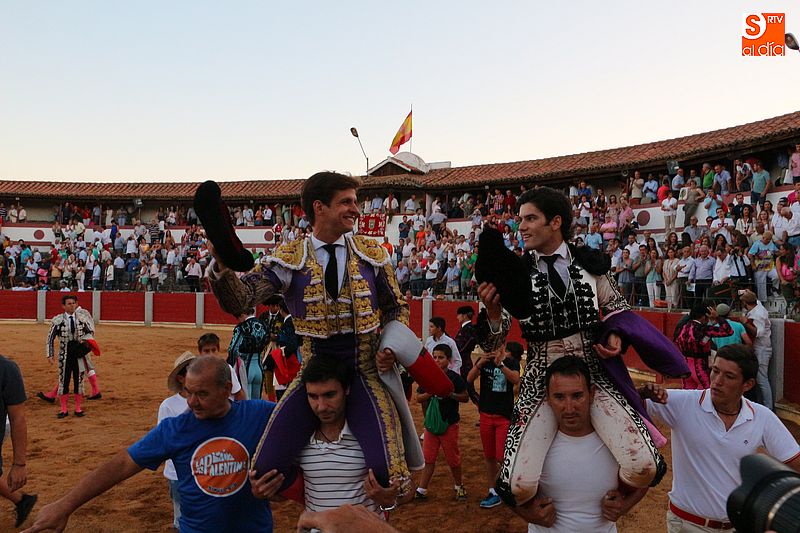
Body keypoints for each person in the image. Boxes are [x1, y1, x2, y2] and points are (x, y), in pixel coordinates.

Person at [201, 172, 451, 496]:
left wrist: (389, 346)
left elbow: (395, 308)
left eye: (355, 201)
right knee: (264, 471)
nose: (356, 210)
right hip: (314, 371)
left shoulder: (371, 254)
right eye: (346, 202)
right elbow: (241, 299)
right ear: (319, 207)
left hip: (365, 369)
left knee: (390, 475)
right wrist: (220, 268)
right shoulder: (290, 258)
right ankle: (322, 499)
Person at [474, 186, 687, 506]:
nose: (522, 227)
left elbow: (617, 309)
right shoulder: (514, 273)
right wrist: (492, 313)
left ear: (555, 222)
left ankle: (601, 498)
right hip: (539, 378)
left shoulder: (590, 264)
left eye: (530, 218)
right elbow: (493, 341)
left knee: (643, 466)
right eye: (520, 219)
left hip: (593, 373)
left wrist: (615, 337)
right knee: (518, 486)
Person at [23, 356, 280, 533]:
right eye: (188, 392)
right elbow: (122, 464)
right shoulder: (174, 429)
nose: (191, 402)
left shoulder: (260, 414)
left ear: (226, 389)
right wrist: (65, 505)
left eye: (202, 394)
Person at [645, 345, 800, 532]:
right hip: (687, 525)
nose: (717, 381)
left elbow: (796, 463)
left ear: (748, 385)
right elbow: (624, 403)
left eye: (729, 376)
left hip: (735, 527)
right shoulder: (682, 403)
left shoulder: (762, 417)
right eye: (715, 371)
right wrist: (641, 393)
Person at [516, 356, 650, 533]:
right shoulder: (534, 440)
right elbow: (502, 482)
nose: (569, 408)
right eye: (559, 397)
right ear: (547, 398)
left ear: (592, 393)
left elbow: (646, 473)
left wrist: (624, 505)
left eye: (577, 396)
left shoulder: (616, 437)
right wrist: (528, 515)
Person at [261, 355, 402, 516]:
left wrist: (389, 501)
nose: (321, 407)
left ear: (347, 389)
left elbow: (405, 491)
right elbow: (283, 492)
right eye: (313, 396)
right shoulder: (298, 438)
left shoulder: (371, 436)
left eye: (329, 395)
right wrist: (263, 491)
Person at [466, 341, 521, 509]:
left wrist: (501, 364)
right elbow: (469, 378)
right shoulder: (483, 362)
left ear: (502, 348)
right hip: (486, 415)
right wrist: (479, 364)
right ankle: (494, 491)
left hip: (503, 416)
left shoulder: (511, 362)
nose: (492, 351)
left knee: (501, 457)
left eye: (496, 347)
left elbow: (515, 379)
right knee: (489, 456)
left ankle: (506, 486)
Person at [414, 344, 469, 502]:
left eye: (441, 357)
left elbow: (465, 397)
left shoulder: (454, 378)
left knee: (453, 459)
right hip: (432, 425)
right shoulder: (428, 376)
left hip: (449, 423)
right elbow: (418, 398)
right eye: (435, 357)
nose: (437, 360)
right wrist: (432, 391)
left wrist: (450, 394)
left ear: (449, 360)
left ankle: (459, 486)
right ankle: (421, 489)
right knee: (428, 458)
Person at [44, 294, 102, 418]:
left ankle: (78, 408)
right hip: (64, 354)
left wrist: (85, 343)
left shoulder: (82, 319)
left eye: (73, 303)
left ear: (76, 304)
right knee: (64, 381)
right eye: (69, 304)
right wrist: (50, 354)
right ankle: (64, 409)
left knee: (78, 381)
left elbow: (90, 332)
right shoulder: (58, 320)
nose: (72, 306)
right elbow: (50, 338)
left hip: (78, 354)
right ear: (63, 306)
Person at [158, 351, 194, 531]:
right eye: (191, 371)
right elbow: (165, 442)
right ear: (180, 377)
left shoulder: (205, 400)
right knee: (181, 519)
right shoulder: (168, 405)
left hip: (203, 470)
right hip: (177, 473)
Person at [0, 354, 37, 528]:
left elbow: (18, 419)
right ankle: (22, 500)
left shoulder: (6, 369)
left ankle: (22, 500)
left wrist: (19, 464)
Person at [674, 305, 733, 390]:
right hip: (700, 367)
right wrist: (717, 317)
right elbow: (728, 331)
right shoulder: (704, 329)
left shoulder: (681, 327)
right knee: (705, 394)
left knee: (688, 395)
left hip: (685, 366)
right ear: (704, 317)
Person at [740, 290, 774, 409]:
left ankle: (768, 408)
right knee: (760, 379)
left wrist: (745, 323)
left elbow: (758, 333)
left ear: (745, 302)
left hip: (762, 349)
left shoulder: (757, 314)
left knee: (762, 380)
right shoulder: (757, 306)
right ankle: (765, 407)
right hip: (761, 348)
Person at [228, 309, 270, 400]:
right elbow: (267, 341)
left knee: (246, 402)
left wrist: (230, 364)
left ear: (242, 315)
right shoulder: (263, 324)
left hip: (245, 369)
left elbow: (233, 349)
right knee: (256, 402)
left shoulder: (241, 327)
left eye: (238, 318)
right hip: (259, 368)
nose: (238, 321)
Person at [196, 333, 247, 402]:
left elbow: (239, 394)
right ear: (200, 352)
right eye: (206, 351)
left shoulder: (227, 369)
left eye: (213, 350)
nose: (211, 354)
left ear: (218, 350)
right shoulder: (195, 372)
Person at [454, 305, 479, 404]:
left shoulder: (468, 329)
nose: (457, 317)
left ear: (464, 316)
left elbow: (463, 347)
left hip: (464, 363)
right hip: (462, 362)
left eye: (458, 315)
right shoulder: (466, 328)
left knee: (470, 390)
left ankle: (482, 409)